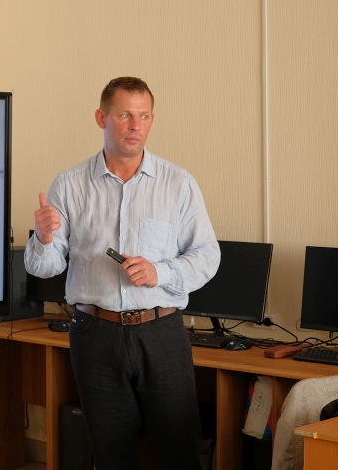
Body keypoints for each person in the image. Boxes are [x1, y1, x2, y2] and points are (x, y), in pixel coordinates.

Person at [25, 76, 220, 469]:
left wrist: (160, 272)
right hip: (95, 335)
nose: (135, 125)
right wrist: (43, 238)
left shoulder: (178, 184)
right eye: (125, 115)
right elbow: (44, 267)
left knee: (180, 451)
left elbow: (208, 255)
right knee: (110, 453)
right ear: (102, 118)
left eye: (144, 116)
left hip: (161, 332)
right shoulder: (70, 184)